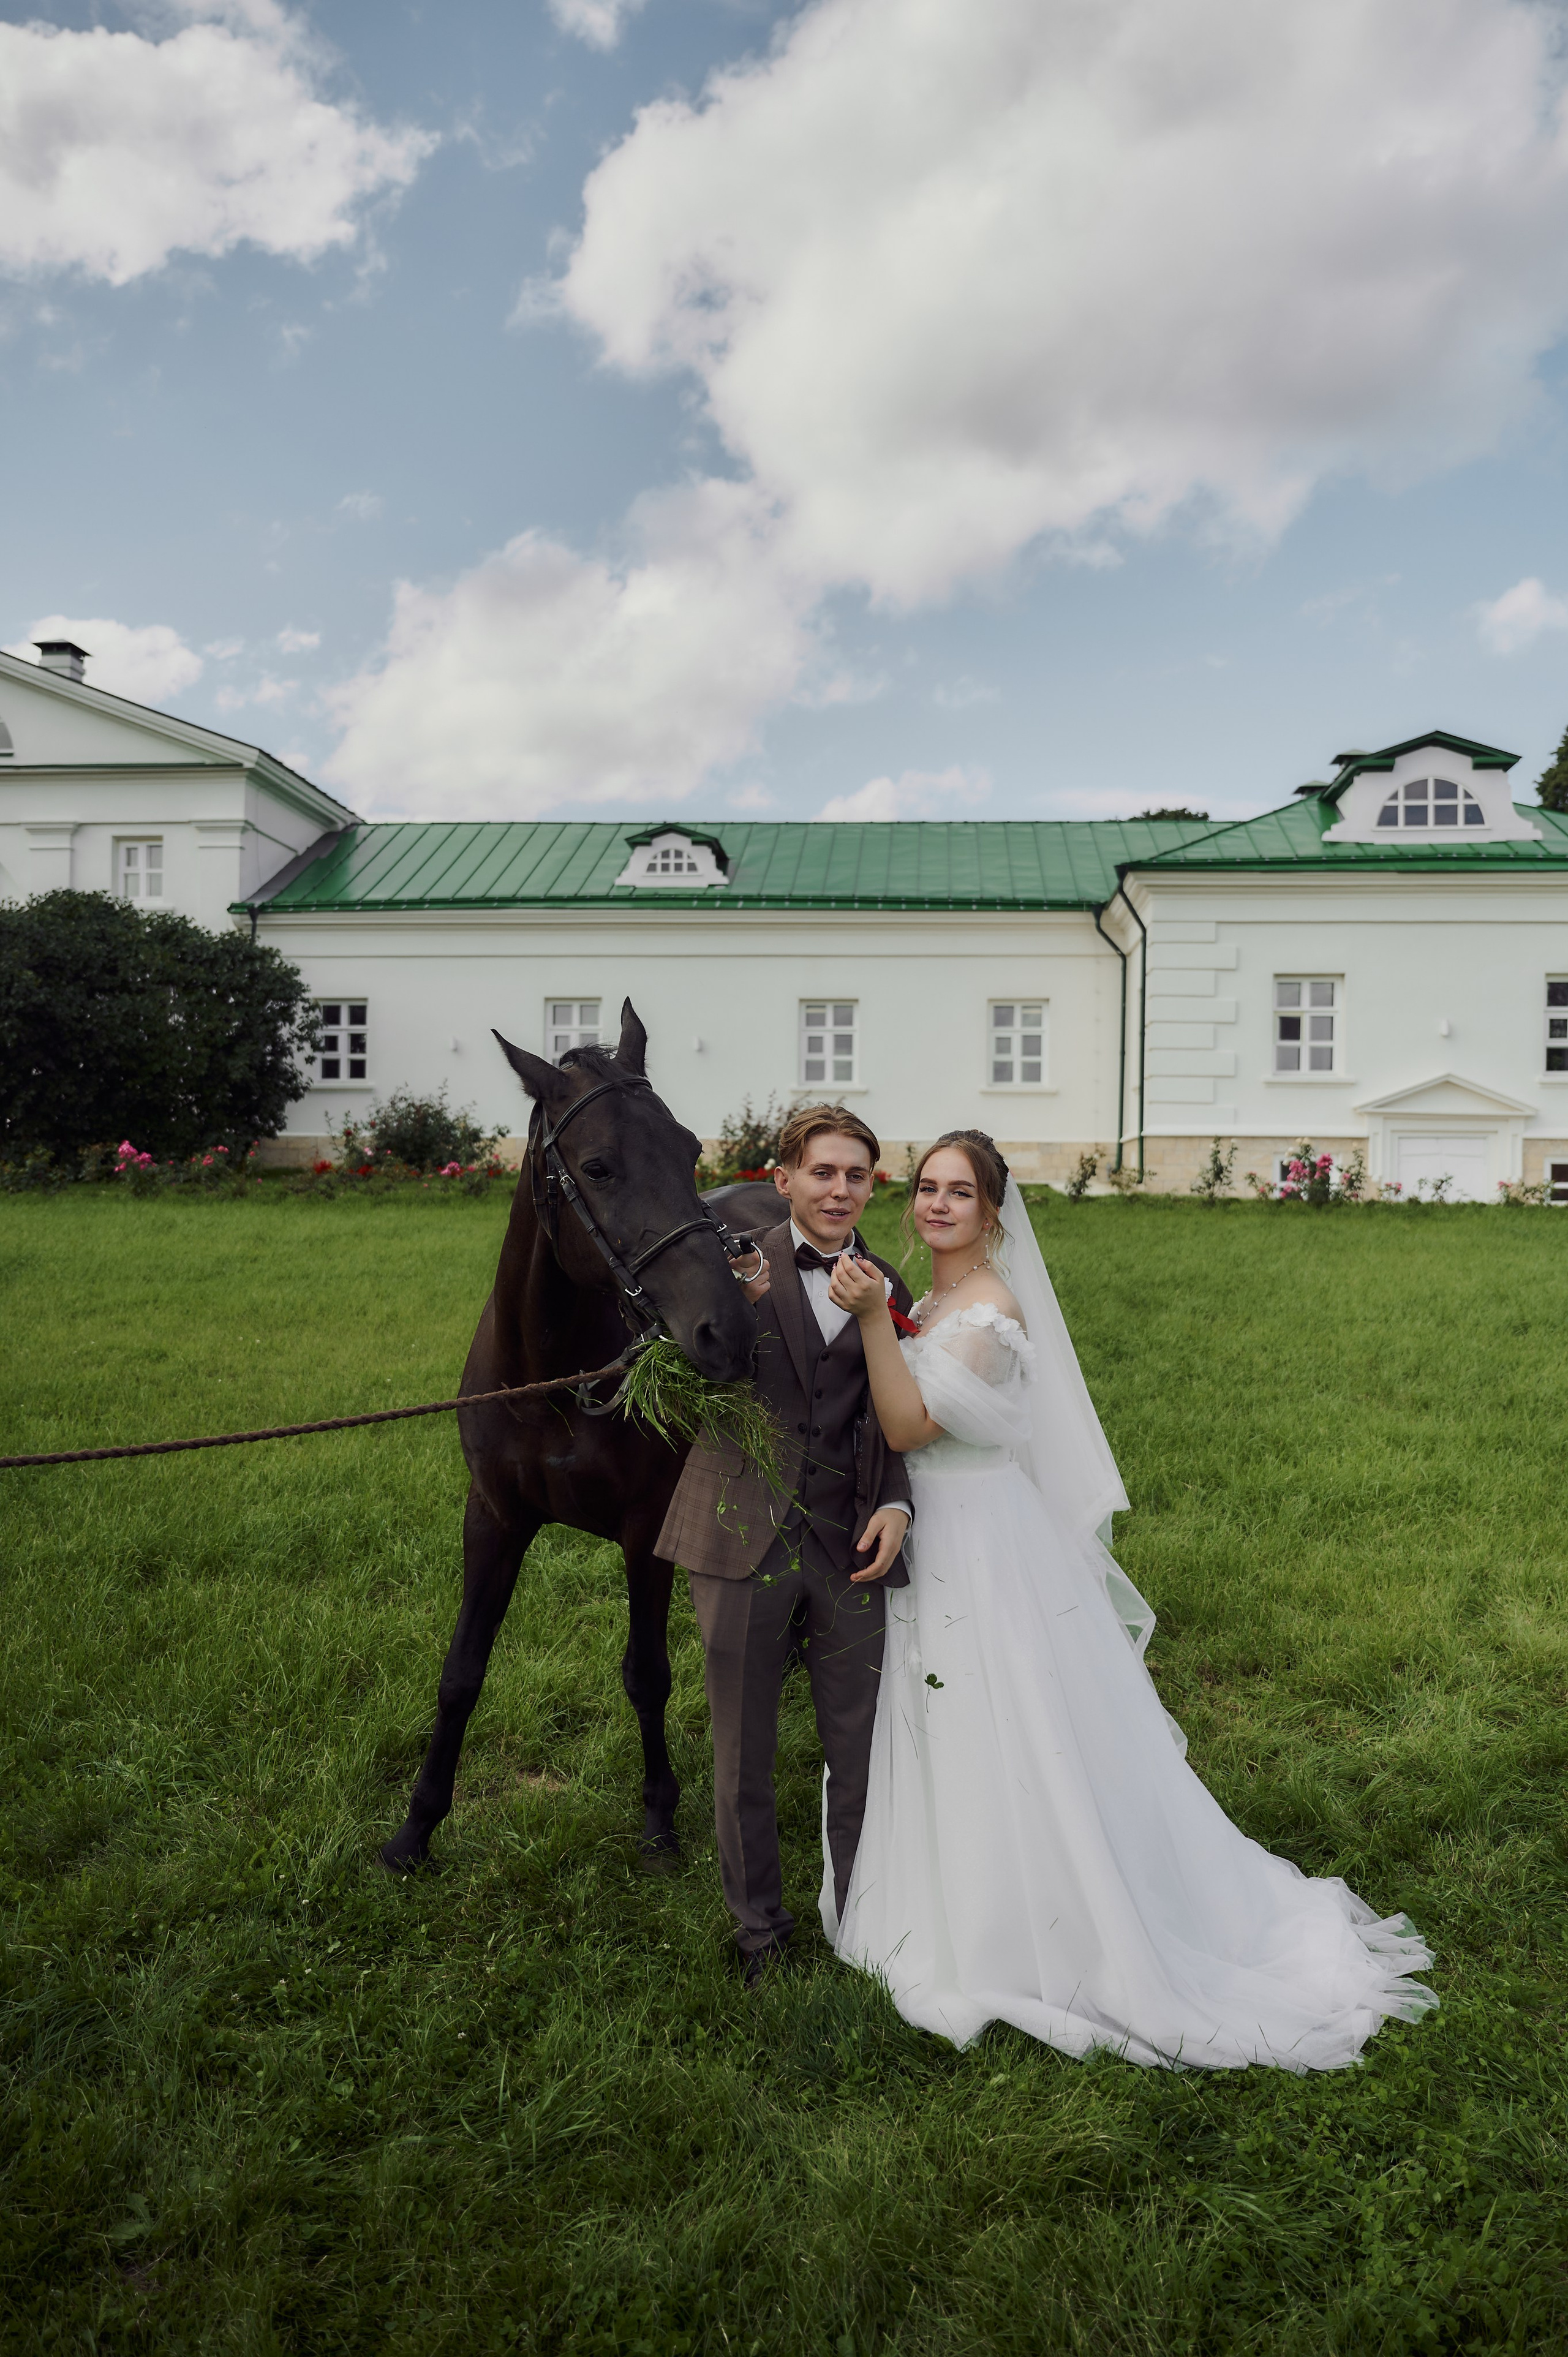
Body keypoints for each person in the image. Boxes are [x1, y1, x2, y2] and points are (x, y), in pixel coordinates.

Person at [820, 1130, 1436, 2070]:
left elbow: (908, 1423)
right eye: (928, 1188)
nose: (937, 1205)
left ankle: (1025, 1931)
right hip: (934, 1528)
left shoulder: (988, 1310)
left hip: (980, 1543)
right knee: (938, 1714)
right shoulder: (933, 1299)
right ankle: (942, 1899)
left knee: (1003, 1718)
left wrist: (871, 1320)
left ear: (993, 1212)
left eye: (961, 1192)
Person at [658, 1106, 915, 1983]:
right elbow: (672, 1389)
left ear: (872, 1187)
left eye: (856, 1175)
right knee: (744, 1750)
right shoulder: (726, 1268)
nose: (839, 1190)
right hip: (740, 1536)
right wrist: (733, 1309)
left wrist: (898, 1503)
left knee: (862, 1742)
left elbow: (895, 1414)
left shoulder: (888, 1286)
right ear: (784, 1180)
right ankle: (758, 1931)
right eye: (822, 1172)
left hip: (851, 1542)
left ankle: (862, 1917)